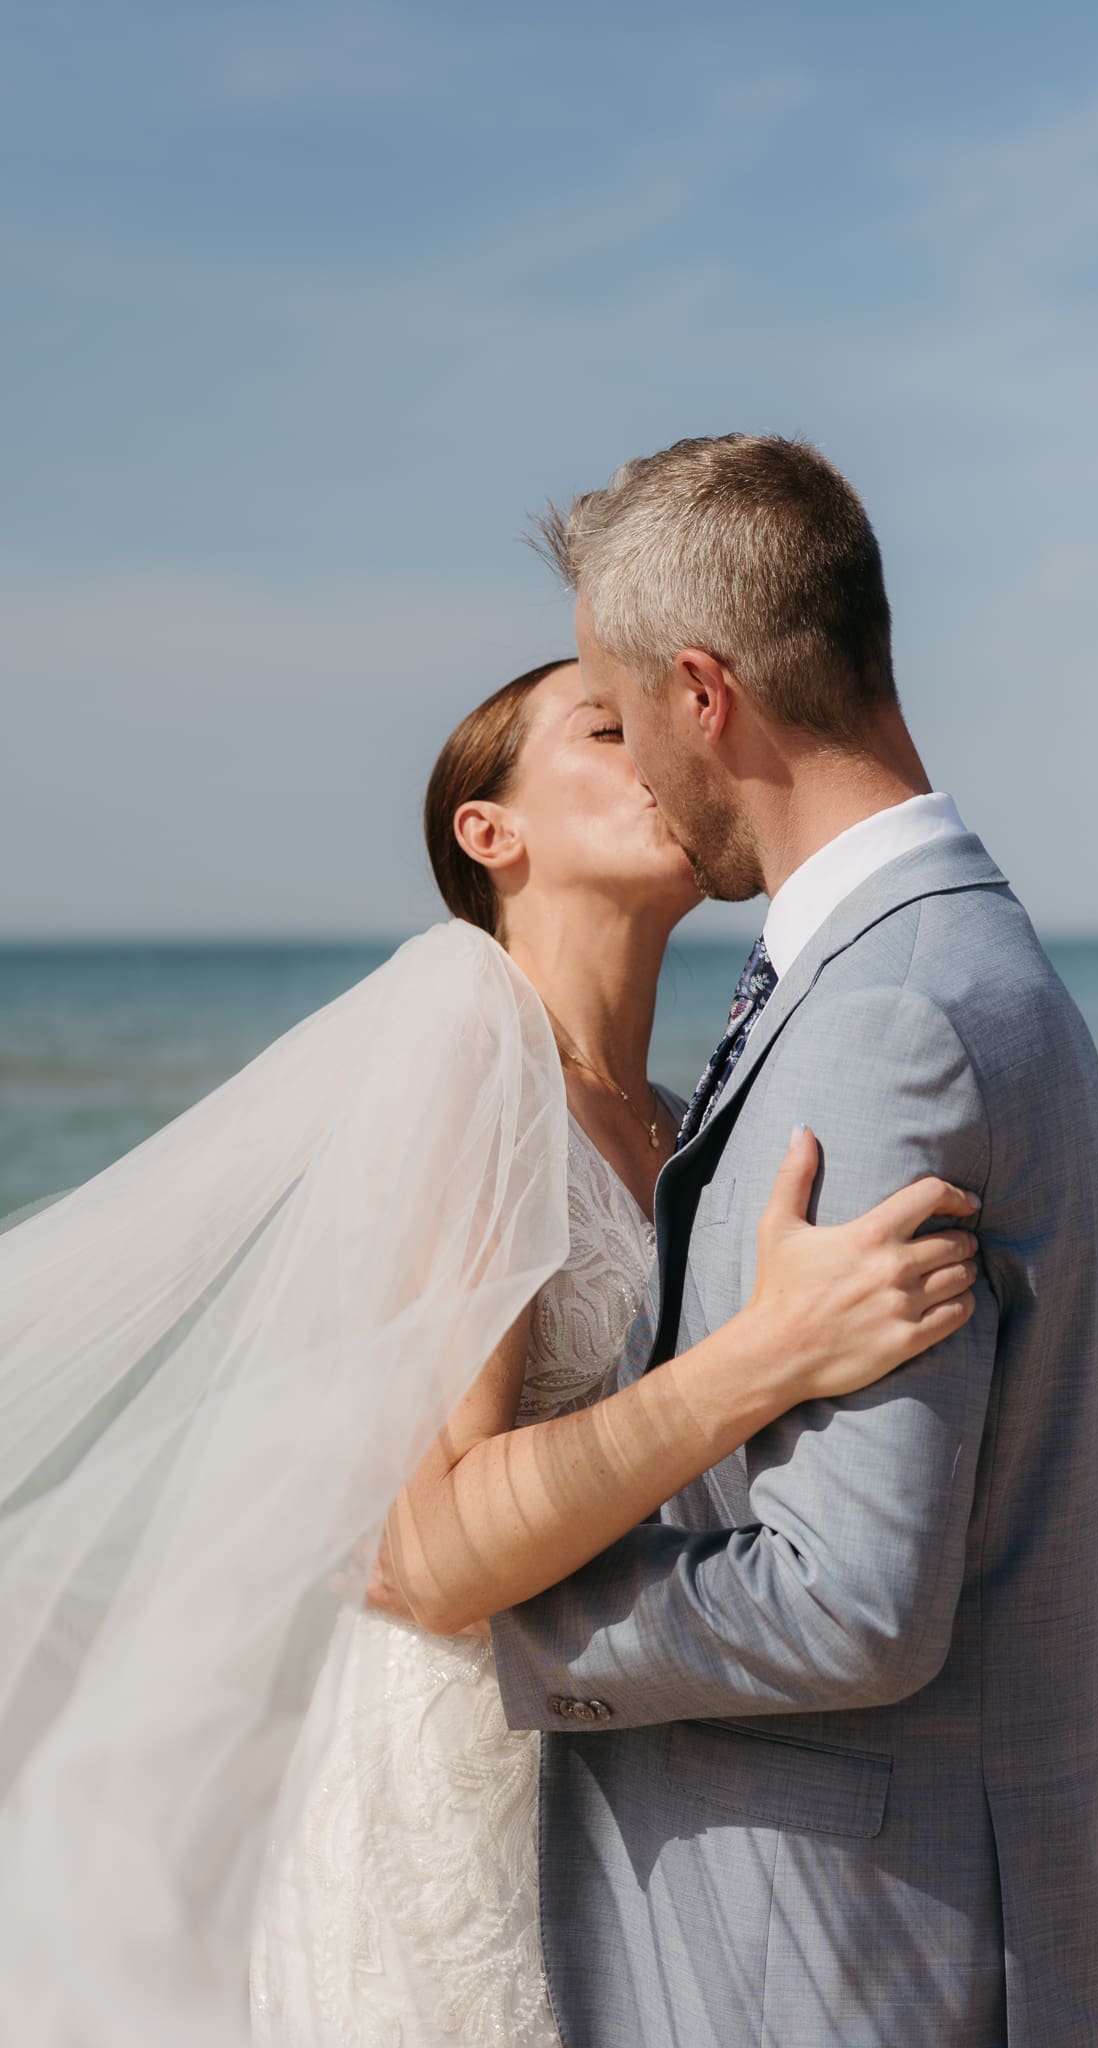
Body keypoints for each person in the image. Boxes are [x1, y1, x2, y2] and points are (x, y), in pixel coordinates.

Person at [0, 654, 979, 2048]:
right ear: (489, 833)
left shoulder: (672, 1114)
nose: (659, 745)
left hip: (627, 1762)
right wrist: (768, 1351)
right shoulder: (467, 1054)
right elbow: (431, 1557)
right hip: (466, 1782)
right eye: (604, 726)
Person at [476, 435, 1098, 2048]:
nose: (634, 769)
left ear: (705, 696)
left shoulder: (888, 1017)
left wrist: (490, 1630)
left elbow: (846, 1603)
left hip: (838, 1961)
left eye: (625, 717)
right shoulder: (935, 960)